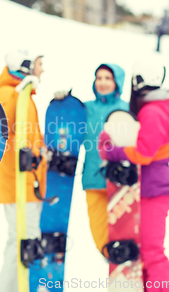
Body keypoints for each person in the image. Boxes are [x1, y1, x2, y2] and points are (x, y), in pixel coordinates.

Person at [99, 56, 169, 291]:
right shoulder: (152, 109)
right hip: (148, 190)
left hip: (154, 192)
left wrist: (112, 150)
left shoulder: (153, 112)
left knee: (152, 252)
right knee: (143, 252)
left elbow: (144, 153)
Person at [54, 63, 128, 254]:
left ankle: (125, 265)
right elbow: (64, 126)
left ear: (117, 82)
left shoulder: (127, 110)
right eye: (99, 77)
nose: (102, 82)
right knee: (100, 236)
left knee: (123, 235)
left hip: (121, 184)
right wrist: (63, 103)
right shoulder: (84, 109)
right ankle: (113, 261)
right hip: (93, 181)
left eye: (108, 78)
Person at [0, 49, 47, 292]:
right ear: (25, 66)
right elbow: (6, 123)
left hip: (28, 181)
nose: (42, 69)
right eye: (38, 64)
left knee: (26, 240)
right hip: (16, 182)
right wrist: (19, 92)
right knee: (19, 240)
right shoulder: (8, 93)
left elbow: (28, 136)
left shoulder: (24, 95)